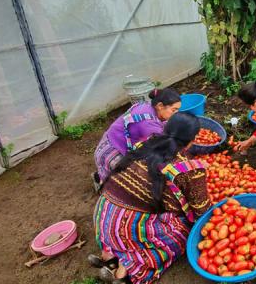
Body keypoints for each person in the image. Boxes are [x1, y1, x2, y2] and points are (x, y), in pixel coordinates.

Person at [90, 112, 211, 284]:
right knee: (183, 231)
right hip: (128, 227)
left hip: (104, 215)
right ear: (192, 140)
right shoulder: (189, 168)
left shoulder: (144, 145)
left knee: (144, 209)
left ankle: (109, 258)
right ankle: (127, 271)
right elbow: (202, 210)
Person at [93, 88, 181, 187]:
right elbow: (165, 144)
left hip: (109, 141)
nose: (176, 113)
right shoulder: (149, 125)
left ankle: (100, 177)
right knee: (130, 178)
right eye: (174, 110)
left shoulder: (147, 105)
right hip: (112, 152)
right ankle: (103, 185)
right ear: (160, 106)